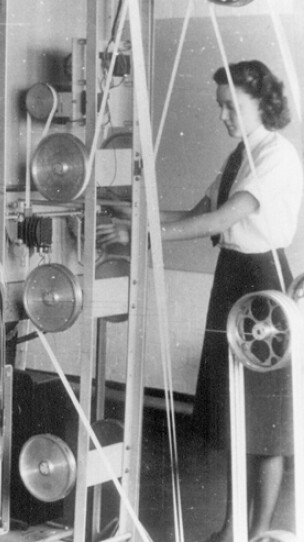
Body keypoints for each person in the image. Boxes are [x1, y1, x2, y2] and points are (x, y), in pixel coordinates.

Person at [98, 60, 301, 542]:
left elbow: (220, 220)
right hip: (231, 279)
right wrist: (131, 212)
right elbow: (194, 213)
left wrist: (143, 236)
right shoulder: (240, 155)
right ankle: (231, 528)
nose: (224, 116)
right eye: (220, 107)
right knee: (235, 415)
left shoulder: (277, 156)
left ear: (262, 105)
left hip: (264, 287)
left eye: (232, 107)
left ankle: (257, 532)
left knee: (266, 420)